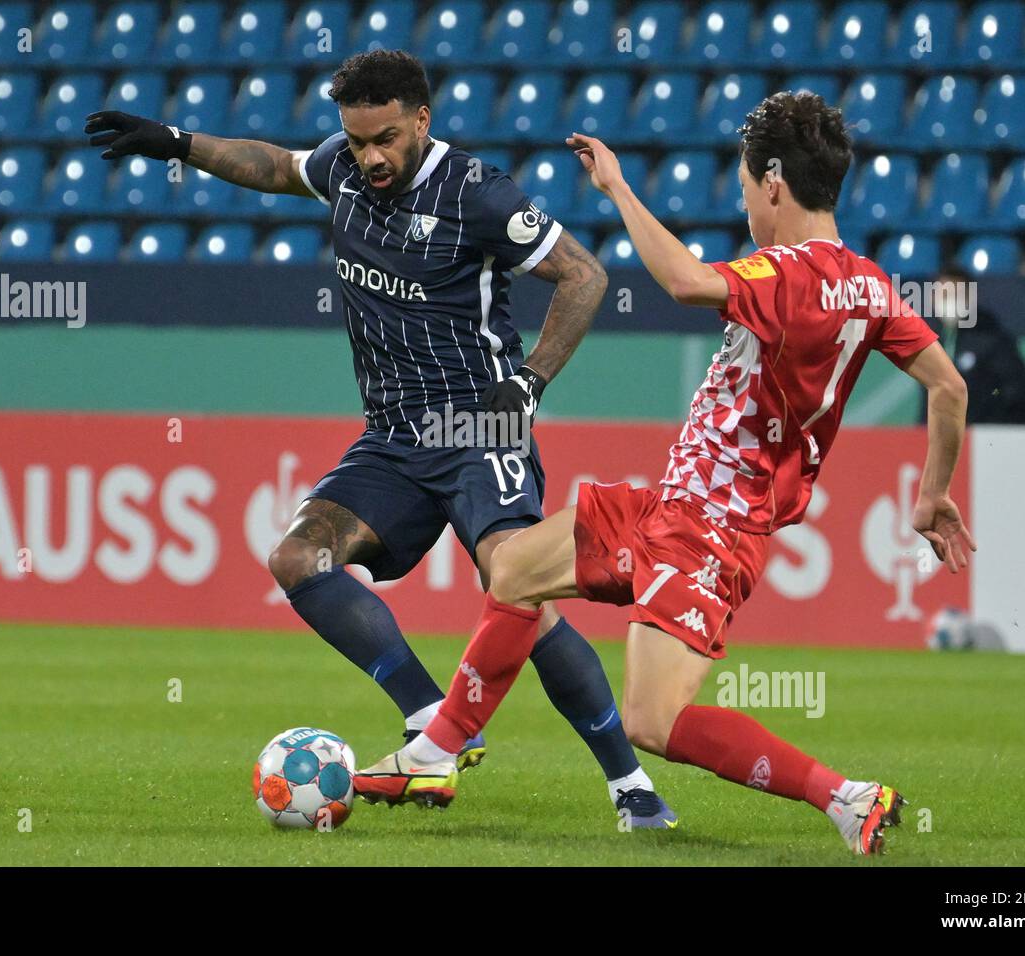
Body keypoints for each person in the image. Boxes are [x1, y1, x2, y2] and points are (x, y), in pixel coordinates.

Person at [355, 91, 977, 855]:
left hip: (710, 534)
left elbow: (684, 281)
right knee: (513, 569)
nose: (746, 201)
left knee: (654, 721)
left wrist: (617, 187)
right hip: (671, 509)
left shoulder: (787, 272)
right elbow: (951, 388)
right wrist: (931, 494)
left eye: (746, 187)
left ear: (773, 183)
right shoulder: (872, 285)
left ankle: (844, 798)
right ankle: (433, 754)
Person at [84, 49, 674, 827]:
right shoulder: (346, 170)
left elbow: (585, 276)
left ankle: (631, 788)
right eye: (357, 141)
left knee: (517, 586)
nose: (370, 158)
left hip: (477, 427)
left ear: (421, 120)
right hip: (394, 437)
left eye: (386, 139)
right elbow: (275, 166)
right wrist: (178, 142)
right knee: (297, 556)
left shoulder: (477, 194)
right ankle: (430, 717)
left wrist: (529, 382)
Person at [917, 270, 1025, 425]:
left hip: (982, 440)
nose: (950, 301)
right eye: (944, 296)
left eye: (956, 295)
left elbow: (1017, 395)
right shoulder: (932, 341)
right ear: (932, 298)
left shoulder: (993, 339)